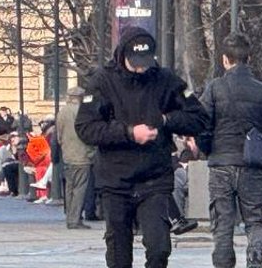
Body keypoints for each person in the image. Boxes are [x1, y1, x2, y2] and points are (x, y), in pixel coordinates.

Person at [75, 27, 207, 268]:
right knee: (119, 252)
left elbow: (199, 117)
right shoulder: (102, 81)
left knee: (159, 249)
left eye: (145, 62)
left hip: (154, 178)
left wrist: (167, 120)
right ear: (122, 55)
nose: (141, 67)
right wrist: (128, 134)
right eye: (135, 62)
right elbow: (86, 128)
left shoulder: (166, 80)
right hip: (116, 179)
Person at [200, 34, 262, 268]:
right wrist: (260, 148)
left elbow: (202, 126)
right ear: (249, 58)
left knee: (222, 223)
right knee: (256, 219)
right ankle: (255, 259)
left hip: (220, 164)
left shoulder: (214, 88)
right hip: (252, 166)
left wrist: (209, 150)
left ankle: (223, 263)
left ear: (225, 60)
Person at [56, 86, 95, 230]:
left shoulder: (62, 112)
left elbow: (59, 136)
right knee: (80, 189)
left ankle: (70, 218)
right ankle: (75, 219)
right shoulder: (83, 112)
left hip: (67, 155)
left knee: (69, 188)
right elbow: (89, 133)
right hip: (82, 155)